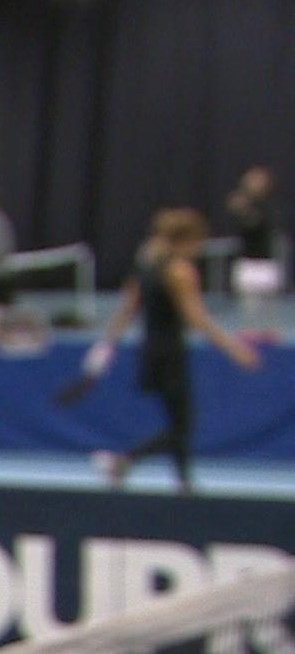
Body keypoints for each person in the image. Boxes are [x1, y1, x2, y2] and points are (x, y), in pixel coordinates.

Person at [91, 209, 261, 493]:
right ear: (188, 240)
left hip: (150, 350)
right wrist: (235, 349)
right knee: (183, 424)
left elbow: (128, 309)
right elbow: (196, 317)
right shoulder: (180, 271)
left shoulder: (146, 263)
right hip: (170, 353)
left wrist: (107, 344)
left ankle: (183, 483)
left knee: (179, 421)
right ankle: (125, 460)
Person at [227, 166, 282, 339]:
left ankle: (267, 334)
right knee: (249, 307)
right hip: (247, 263)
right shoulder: (241, 204)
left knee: (268, 308)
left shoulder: (268, 207)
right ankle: (250, 334)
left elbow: (259, 223)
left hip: (266, 263)